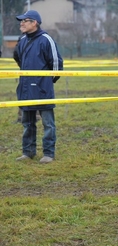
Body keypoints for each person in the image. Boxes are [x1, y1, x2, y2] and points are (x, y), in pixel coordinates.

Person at [14, 10, 63, 164]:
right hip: (25, 88)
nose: (21, 23)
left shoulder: (46, 39)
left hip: (43, 89)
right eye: (21, 21)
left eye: (25, 20)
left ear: (34, 22)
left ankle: (49, 153)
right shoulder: (21, 40)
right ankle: (28, 152)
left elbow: (56, 64)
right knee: (27, 123)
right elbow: (17, 57)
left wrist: (46, 82)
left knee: (48, 123)